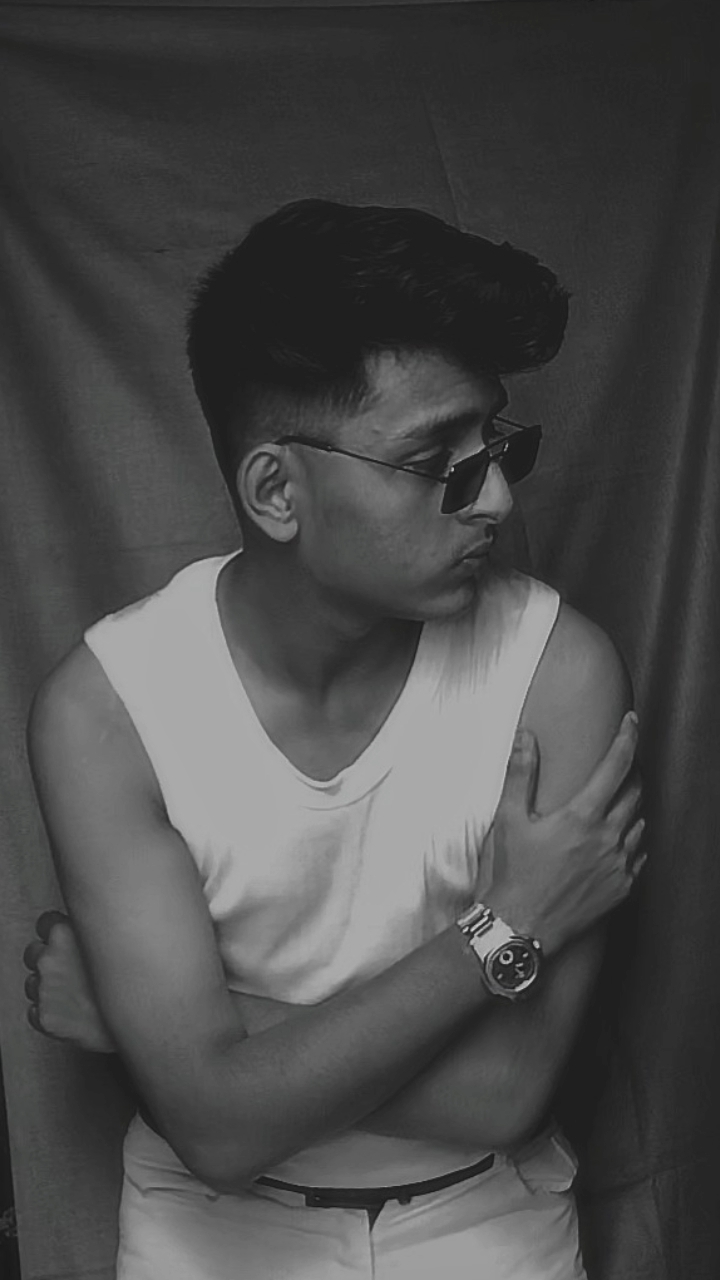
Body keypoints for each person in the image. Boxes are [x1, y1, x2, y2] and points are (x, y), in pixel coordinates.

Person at [23, 199, 644, 1280]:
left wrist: (186, 1036)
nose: (496, 498)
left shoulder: (557, 671)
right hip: (205, 1233)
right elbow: (216, 1136)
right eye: (437, 458)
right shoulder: (108, 709)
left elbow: (508, 1092)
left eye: (496, 443)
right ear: (277, 489)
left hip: (486, 1219)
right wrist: (507, 927)